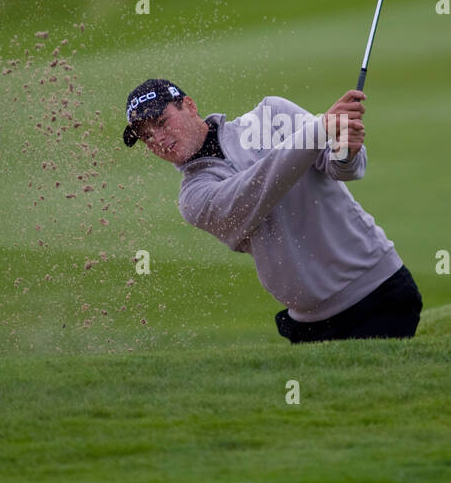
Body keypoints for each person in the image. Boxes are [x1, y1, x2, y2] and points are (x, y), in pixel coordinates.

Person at [122, 78, 422, 343]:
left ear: (189, 105)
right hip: (309, 325)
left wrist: (346, 147)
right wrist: (317, 131)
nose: (158, 139)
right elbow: (256, 190)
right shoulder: (194, 199)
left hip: (377, 292)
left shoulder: (272, 115)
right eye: (146, 136)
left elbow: (342, 167)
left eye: (161, 122)